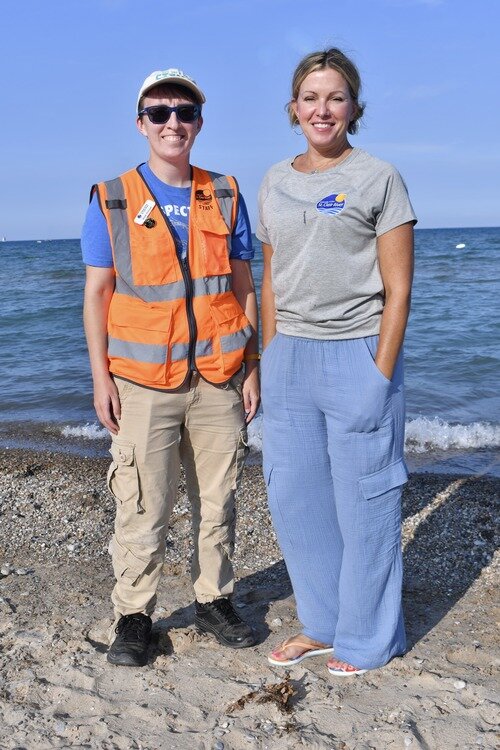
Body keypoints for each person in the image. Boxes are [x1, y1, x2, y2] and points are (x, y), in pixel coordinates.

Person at [82, 67, 260, 667]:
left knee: (219, 497)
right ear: (142, 124)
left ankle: (214, 599)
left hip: (218, 375)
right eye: (159, 113)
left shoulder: (227, 191)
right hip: (141, 383)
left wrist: (252, 364)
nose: (173, 123)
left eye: (184, 112)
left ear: (199, 122)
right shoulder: (112, 197)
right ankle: (134, 615)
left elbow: (242, 284)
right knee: (142, 502)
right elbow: (98, 295)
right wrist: (101, 378)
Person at [257, 48, 417, 676]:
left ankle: (369, 640)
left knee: (367, 503)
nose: (322, 109)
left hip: (358, 352)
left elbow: (398, 289)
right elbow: (270, 276)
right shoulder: (275, 180)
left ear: (354, 108)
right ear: (294, 109)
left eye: (336, 97)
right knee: (298, 502)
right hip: (288, 358)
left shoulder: (378, 177)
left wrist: (379, 370)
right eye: (311, 98)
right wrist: (269, 351)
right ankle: (323, 623)